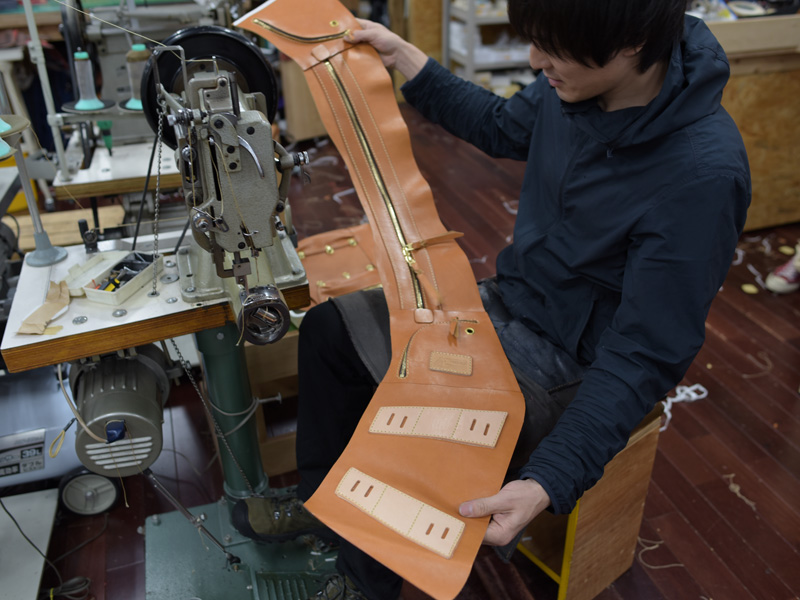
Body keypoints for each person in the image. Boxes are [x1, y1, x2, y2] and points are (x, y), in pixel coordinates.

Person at [232, 1, 751, 598]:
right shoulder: (575, 82)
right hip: (507, 303)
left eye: (551, 48)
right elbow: (502, 125)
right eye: (534, 40)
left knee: (423, 414)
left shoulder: (702, 175)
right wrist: (406, 59)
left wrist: (551, 478)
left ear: (632, 42)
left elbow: (644, 354)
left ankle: (363, 583)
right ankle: (322, 502)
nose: (534, 61)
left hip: (576, 360)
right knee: (330, 331)